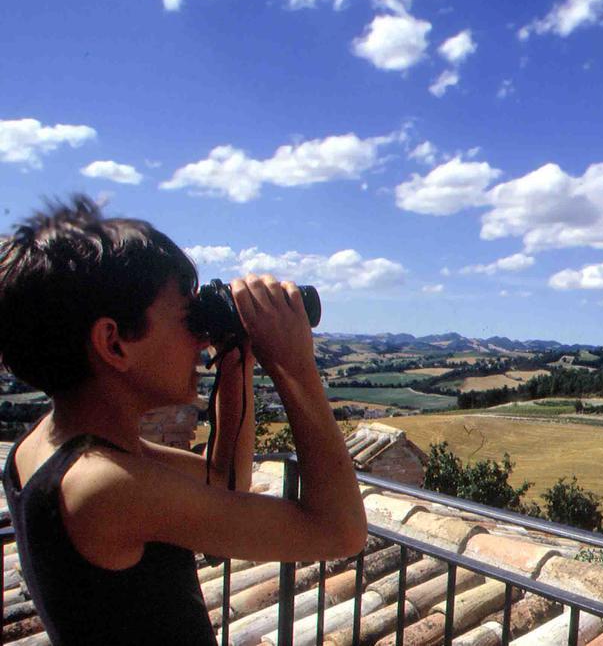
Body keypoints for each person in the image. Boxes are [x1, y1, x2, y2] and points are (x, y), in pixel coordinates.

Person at [0, 196, 367, 645]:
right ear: (114, 343)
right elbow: (339, 531)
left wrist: (237, 362)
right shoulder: (104, 487)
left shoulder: (50, 447)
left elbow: (225, 481)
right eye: (186, 318)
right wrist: (297, 368)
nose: (200, 338)